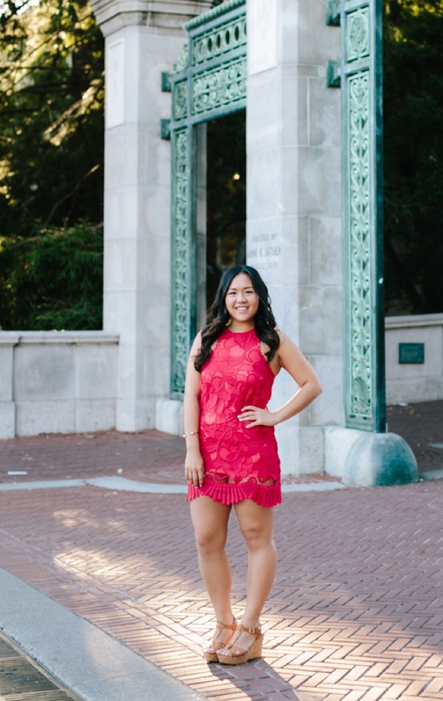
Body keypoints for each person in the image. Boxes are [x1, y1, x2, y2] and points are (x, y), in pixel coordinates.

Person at [183, 264, 322, 665]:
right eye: (232, 293)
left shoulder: (272, 341)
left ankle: (250, 627)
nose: (240, 299)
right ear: (223, 298)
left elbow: (312, 383)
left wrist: (274, 416)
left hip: (252, 454)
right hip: (205, 456)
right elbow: (191, 397)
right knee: (206, 539)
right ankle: (223, 623)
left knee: (255, 538)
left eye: (248, 291)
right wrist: (192, 449)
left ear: (259, 296)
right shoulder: (206, 339)